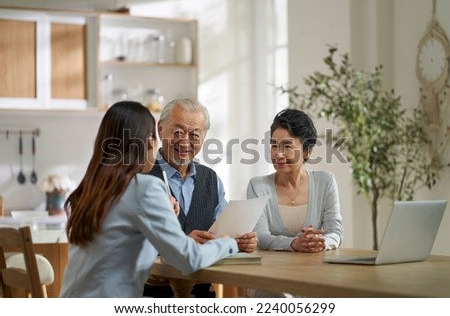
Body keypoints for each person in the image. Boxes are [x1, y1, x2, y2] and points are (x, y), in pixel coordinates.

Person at [59, 101, 239, 297]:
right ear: (146, 141)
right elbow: (188, 259)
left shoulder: (93, 188)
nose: (154, 144)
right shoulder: (143, 187)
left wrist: (162, 213)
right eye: (152, 135)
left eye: (194, 134)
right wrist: (229, 243)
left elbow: (120, 244)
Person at [143, 98, 257, 298]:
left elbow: (224, 234)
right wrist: (180, 247)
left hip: (202, 292)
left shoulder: (211, 179)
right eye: (177, 132)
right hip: (152, 293)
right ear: (160, 129)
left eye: (194, 135)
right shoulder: (141, 177)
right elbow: (130, 245)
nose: (185, 142)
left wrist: (240, 242)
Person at [246, 108, 344, 297]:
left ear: (307, 151)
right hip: (270, 280)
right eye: (274, 145)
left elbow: (336, 232)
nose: (278, 154)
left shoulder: (326, 182)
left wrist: (318, 242)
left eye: (287, 146)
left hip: (313, 276)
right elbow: (262, 238)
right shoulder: (257, 186)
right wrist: (294, 244)